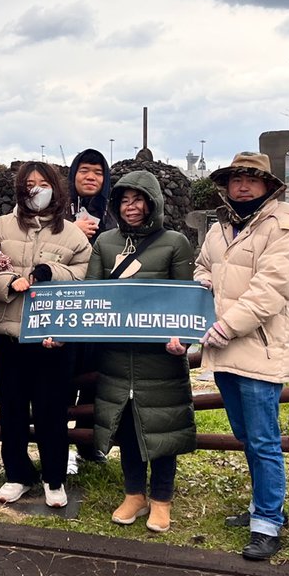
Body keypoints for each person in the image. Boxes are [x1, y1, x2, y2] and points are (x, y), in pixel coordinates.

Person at [195, 152, 289, 561]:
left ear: (268, 185)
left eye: (252, 178)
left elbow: (272, 287)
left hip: (259, 344)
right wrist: (205, 280)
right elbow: (201, 267)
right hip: (224, 346)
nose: (243, 185)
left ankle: (268, 520)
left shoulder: (285, 225)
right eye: (236, 179)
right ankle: (259, 509)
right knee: (247, 434)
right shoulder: (220, 227)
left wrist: (228, 325)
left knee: (264, 438)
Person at [88, 170, 196, 533]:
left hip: (161, 355)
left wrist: (183, 337)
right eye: (123, 200)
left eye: (138, 199)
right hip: (116, 354)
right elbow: (91, 295)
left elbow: (187, 298)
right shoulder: (105, 243)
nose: (130, 207)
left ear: (153, 201)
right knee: (129, 427)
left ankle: (162, 500)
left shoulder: (175, 242)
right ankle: (134, 493)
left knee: (162, 426)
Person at [0, 161, 91, 508]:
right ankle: (17, 474)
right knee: (12, 408)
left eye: (43, 184)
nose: (36, 190)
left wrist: (49, 271)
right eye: (29, 184)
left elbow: (86, 274)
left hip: (54, 338)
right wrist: (6, 283)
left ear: (56, 189)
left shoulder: (73, 234)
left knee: (52, 410)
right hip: (9, 334)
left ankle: (54, 477)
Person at [66, 149, 116, 464]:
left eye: (97, 172)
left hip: (101, 309)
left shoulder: (113, 213)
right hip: (65, 309)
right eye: (84, 171)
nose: (90, 177)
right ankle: (55, 439)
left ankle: (88, 442)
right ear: (73, 175)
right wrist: (72, 229)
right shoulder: (56, 209)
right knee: (62, 378)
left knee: (96, 378)